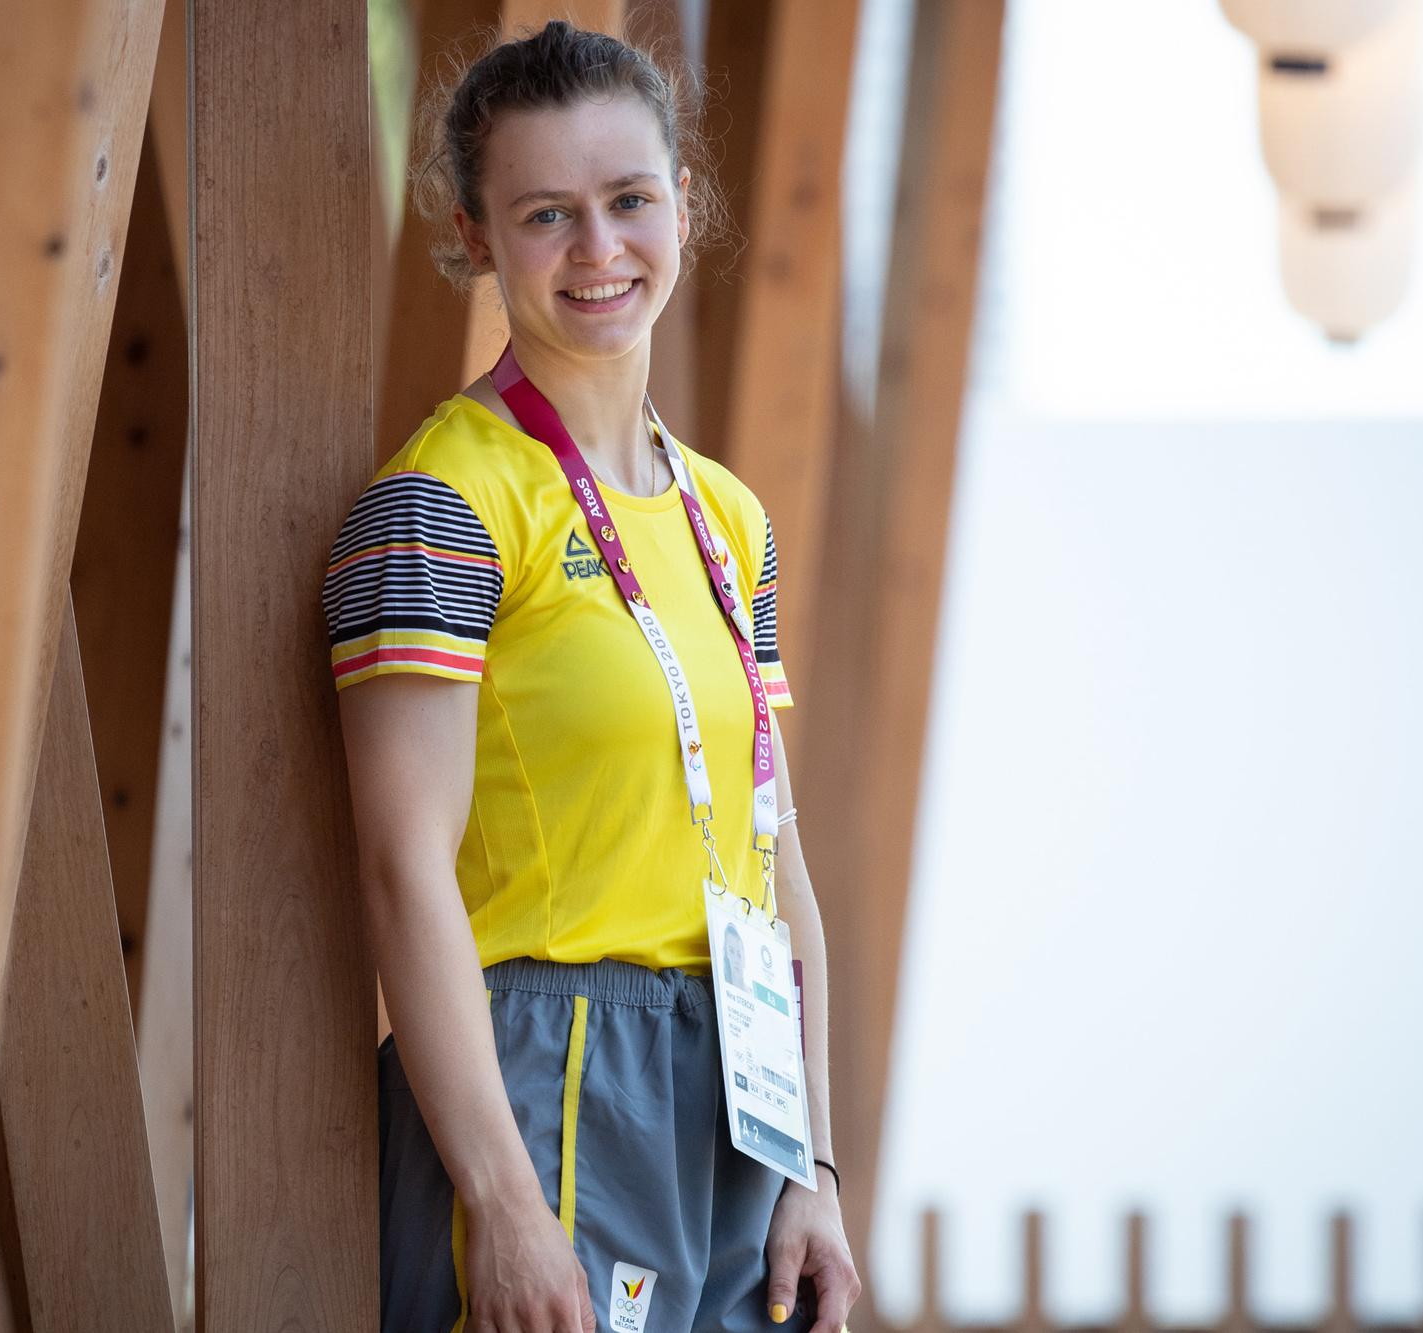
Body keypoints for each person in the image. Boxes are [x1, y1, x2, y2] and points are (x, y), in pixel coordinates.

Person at [324, 20, 860, 1333]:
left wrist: (815, 1167)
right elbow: (402, 873)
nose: (599, 249)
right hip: (552, 1072)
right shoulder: (445, 499)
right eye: (546, 214)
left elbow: (773, 858)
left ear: (685, 203)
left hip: (736, 1095)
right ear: (475, 234)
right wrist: (503, 1198)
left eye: (627, 201)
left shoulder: (728, 516)